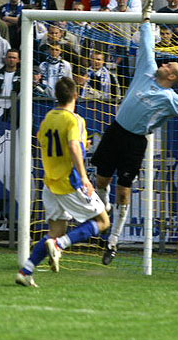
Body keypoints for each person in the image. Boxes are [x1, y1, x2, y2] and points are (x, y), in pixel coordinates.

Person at [91, 0, 178, 265]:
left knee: (123, 189)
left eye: (169, 65)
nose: (164, 63)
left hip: (134, 142)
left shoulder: (170, 99)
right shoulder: (147, 68)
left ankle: (114, 241)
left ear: (172, 77)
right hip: (116, 130)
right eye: (165, 61)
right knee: (102, 181)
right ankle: (103, 211)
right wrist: (146, 17)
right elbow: (144, 42)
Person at [16, 77, 110, 287]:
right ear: (76, 95)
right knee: (104, 221)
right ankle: (60, 245)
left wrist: (77, 145)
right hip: (70, 181)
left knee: (55, 230)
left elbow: (45, 140)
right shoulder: (74, 119)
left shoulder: (48, 117)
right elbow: (72, 147)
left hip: (50, 182)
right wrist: (85, 177)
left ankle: (26, 271)